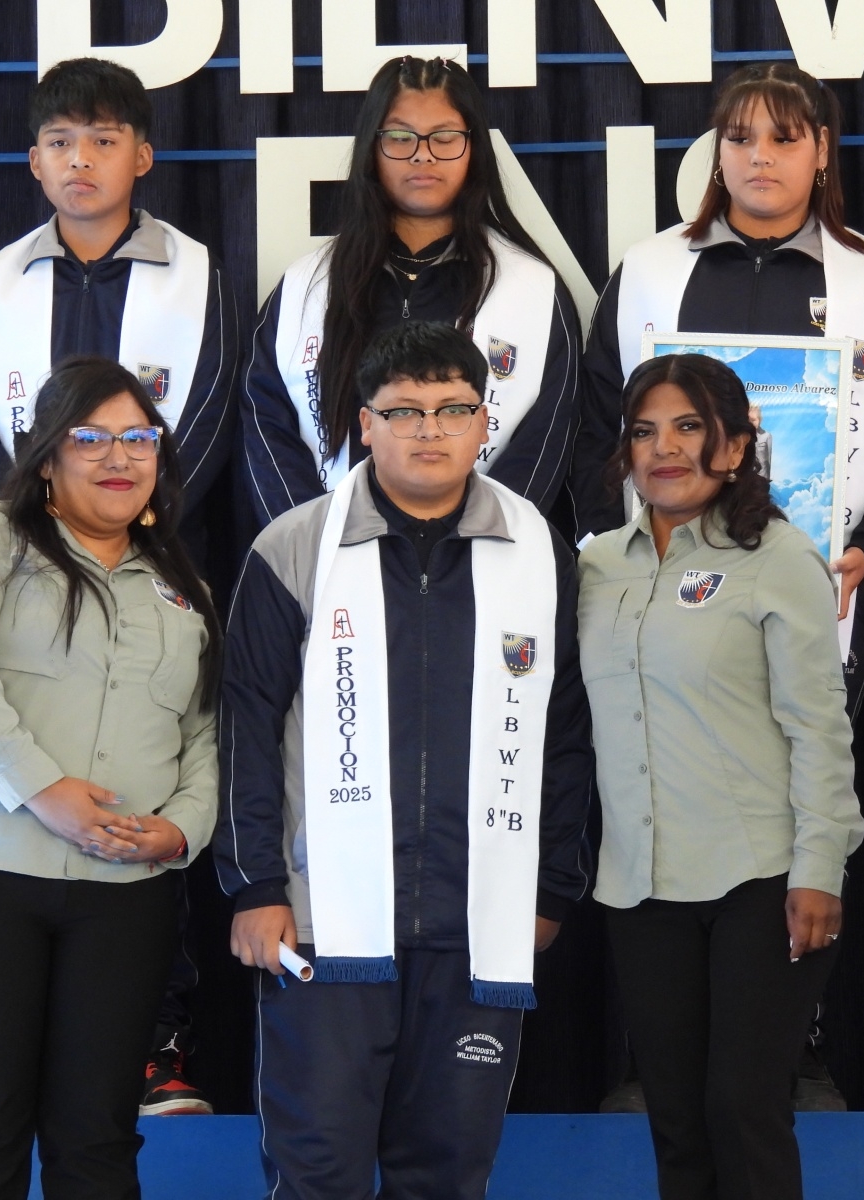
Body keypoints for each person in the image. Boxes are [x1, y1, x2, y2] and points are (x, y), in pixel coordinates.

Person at [216, 321, 592, 1200]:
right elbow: (246, 728)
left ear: (484, 422)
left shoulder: (540, 554)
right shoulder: (294, 548)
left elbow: (568, 734)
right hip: (323, 921)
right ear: (364, 424)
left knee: (447, 1176)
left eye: (454, 409)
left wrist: (550, 889)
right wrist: (255, 884)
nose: (431, 429)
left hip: (477, 918)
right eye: (405, 411)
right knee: (318, 1172)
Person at [0, 56, 237, 1115]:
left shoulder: (198, 275)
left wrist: (132, 532)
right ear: (33, 161)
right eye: (61, 141)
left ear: (142, 156)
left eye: (104, 139)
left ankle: (156, 1042)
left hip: (155, 568)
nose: (82, 159)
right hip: (23, 579)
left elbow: (206, 425)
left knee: (141, 786)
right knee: (31, 773)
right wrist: (38, 543)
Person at [0, 356, 221, 1198]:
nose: (120, 456)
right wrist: (44, 790)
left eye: (139, 438)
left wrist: (183, 828)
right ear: (46, 456)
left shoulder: (185, 588)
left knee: (98, 1140)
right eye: (91, 437)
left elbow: (207, 732)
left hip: (125, 892)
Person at [579, 353, 864, 1200]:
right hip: (639, 886)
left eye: (689, 427)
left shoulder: (778, 557)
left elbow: (819, 727)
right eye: (644, 431)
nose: (664, 448)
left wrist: (820, 870)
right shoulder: (596, 566)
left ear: (736, 446)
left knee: (742, 1109)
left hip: (763, 880)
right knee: (674, 1120)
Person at [573, 61, 864, 711]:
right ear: (719, 151)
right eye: (740, 138)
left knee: (806, 762)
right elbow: (594, 426)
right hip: (658, 584)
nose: (760, 157)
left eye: (784, 138)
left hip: (816, 582)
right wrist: (611, 549)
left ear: (822, 149)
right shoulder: (649, 273)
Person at [241, 55, 578, 527]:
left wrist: (475, 544)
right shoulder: (306, 287)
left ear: (474, 148)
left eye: (445, 137)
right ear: (371, 149)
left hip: (483, 552)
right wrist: (311, 541)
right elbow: (265, 427)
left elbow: (545, 441)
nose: (423, 155)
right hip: (327, 551)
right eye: (400, 137)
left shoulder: (532, 289)